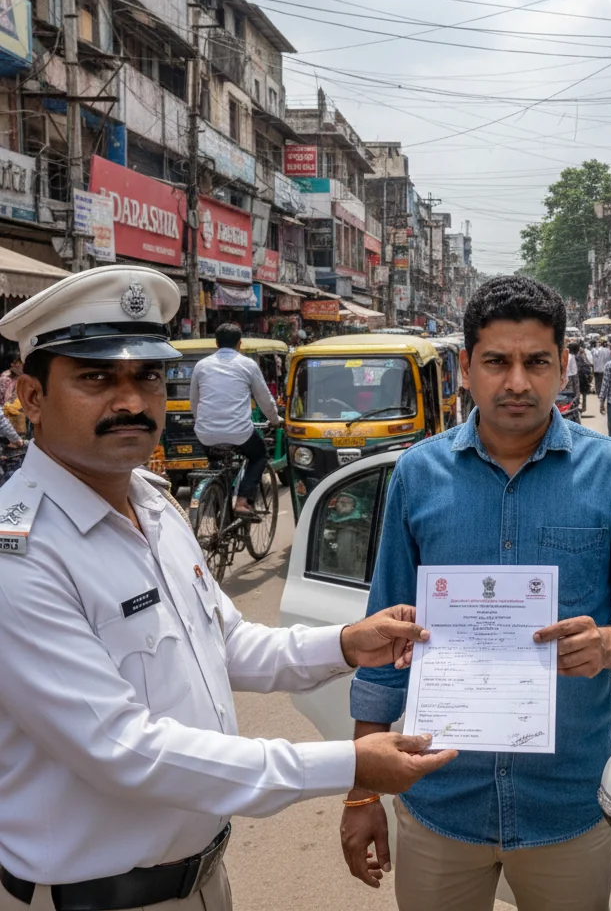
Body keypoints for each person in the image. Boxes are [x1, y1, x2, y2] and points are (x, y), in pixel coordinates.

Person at [0, 265, 457, 911]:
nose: (130, 401)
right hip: (90, 897)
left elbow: (228, 644)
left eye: (149, 376)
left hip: (203, 882)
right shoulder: (19, 555)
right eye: (96, 378)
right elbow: (127, 751)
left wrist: (349, 643)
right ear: (32, 397)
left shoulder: (154, 506)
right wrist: (350, 765)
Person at [342, 275, 611, 911]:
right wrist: (363, 789)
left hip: (567, 805)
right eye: (497, 362)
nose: (517, 382)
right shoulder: (418, 475)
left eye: (537, 362)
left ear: (564, 368)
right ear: (466, 369)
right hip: (440, 798)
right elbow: (384, 638)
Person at [189, 322, 282, 517]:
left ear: (216, 343)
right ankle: (242, 501)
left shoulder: (201, 365)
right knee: (258, 456)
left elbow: (194, 401)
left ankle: (219, 509)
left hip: (205, 434)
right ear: (240, 344)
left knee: (216, 465)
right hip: (239, 433)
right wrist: (274, 420)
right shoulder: (248, 365)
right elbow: (264, 399)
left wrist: (201, 422)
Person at [575, 342, 593, 413]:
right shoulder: (582, 357)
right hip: (582, 379)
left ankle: (580, 407)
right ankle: (582, 408)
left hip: (580, 379)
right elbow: (587, 367)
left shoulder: (574, 358)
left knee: (579, 394)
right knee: (583, 394)